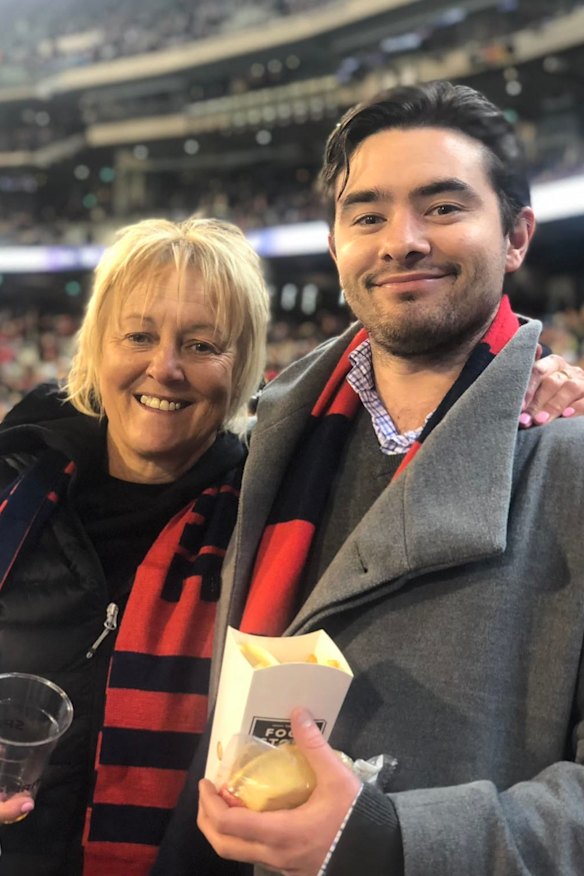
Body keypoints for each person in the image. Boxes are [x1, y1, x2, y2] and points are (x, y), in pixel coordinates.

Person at [190, 81, 584, 875]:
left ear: (515, 237)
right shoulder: (271, 436)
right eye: (366, 215)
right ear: (336, 245)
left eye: (442, 208)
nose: (400, 241)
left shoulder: (566, 454)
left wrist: (393, 841)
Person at [0, 215, 270, 875]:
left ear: (243, 370)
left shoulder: (272, 517)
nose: (166, 367)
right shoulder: (13, 484)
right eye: (140, 336)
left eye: (203, 344)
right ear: (96, 347)